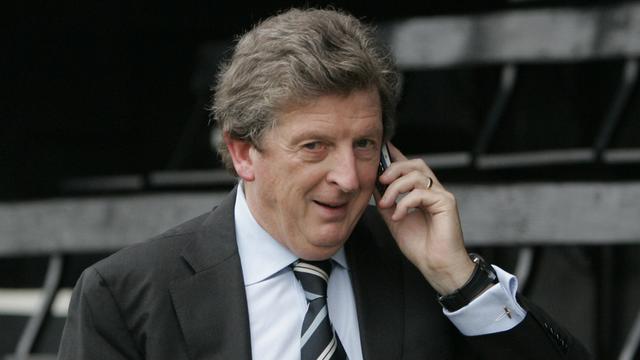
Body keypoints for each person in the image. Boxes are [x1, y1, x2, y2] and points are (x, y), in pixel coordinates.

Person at [57, 7, 590, 360]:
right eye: (315, 147)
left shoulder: (428, 274)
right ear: (243, 152)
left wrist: (458, 277)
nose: (348, 177)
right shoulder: (125, 296)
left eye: (363, 144)